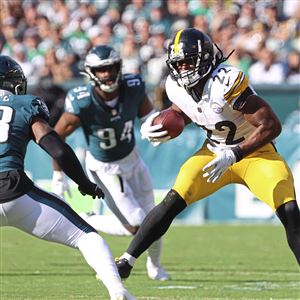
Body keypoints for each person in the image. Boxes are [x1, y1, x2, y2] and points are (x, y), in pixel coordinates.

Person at [115, 28, 300, 279]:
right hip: (213, 152)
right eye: (178, 64)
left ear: (205, 59)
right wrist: (163, 124)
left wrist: (235, 154)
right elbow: (186, 112)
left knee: (289, 211)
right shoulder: (175, 86)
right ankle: (126, 261)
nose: (183, 70)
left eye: (188, 62)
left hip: (256, 154)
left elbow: (271, 126)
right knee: (172, 200)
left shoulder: (226, 82)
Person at [0, 55, 135, 300]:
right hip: (15, 191)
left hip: (14, 189)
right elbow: (58, 149)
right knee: (88, 237)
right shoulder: (24, 104)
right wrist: (84, 184)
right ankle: (118, 292)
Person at [51, 45, 170, 281]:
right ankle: (89, 219)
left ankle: (155, 266)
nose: (106, 74)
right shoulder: (82, 100)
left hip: (133, 159)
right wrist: (58, 174)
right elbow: (56, 137)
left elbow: (147, 117)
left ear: (119, 68)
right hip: (105, 168)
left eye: (111, 68)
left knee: (155, 218)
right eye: (101, 70)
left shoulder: (133, 87)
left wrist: (154, 127)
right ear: (91, 73)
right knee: (136, 225)